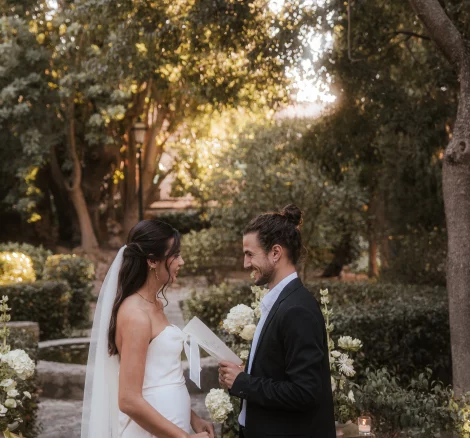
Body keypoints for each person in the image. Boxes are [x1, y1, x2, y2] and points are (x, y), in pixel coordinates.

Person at [81, 219, 214, 438]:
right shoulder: (136, 315)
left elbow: (159, 377)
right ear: (152, 261)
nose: (181, 262)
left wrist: (193, 419)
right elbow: (128, 400)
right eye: (175, 255)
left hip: (171, 424)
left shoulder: (156, 304)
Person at [219, 205, 336, 438]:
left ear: (275, 253)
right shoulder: (282, 301)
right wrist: (246, 372)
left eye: (250, 254)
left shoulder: (297, 309)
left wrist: (244, 383)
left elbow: (305, 392)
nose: (245, 263)